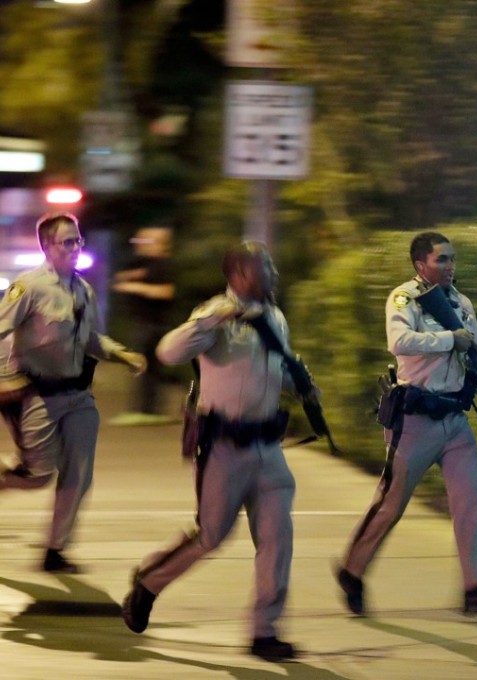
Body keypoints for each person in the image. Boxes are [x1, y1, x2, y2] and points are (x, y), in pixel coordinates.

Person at [121, 241, 300, 662]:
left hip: (268, 448)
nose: (273, 271)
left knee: (277, 537)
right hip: (224, 448)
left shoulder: (275, 316)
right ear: (239, 273)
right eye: (264, 265)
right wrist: (213, 318)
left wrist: (299, 384)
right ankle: (149, 583)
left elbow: (275, 368)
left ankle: (264, 631)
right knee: (211, 535)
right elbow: (167, 352)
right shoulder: (216, 316)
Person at [334, 231, 477, 616]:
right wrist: (449, 339)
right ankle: (352, 570)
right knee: (391, 504)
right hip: (415, 420)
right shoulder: (404, 297)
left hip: (455, 419)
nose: (450, 265)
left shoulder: (461, 303)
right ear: (420, 265)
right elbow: (399, 341)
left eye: (452, 258)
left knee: (471, 501)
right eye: (441, 259)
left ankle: (475, 588)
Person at [0, 212, 146, 573]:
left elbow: (92, 338)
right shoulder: (29, 287)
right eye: (67, 242)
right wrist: (3, 377)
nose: (75, 247)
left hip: (78, 394)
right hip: (39, 395)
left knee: (79, 474)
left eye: (78, 240)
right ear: (47, 246)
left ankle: (55, 550)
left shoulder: (84, 290)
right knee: (38, 474)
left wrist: (122, 354)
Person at [109, 226, 176, 425]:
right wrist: (127, 278)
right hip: (142, 324)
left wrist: (134, 287)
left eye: (147, 241)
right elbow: (137, 275)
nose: (141, 245)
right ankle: (145, 409)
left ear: (160, 244)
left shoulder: (164, 265)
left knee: (148, 368)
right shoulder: (148, 264)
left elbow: (165, 291)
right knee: (144, 368)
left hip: (153, 325)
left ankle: (148, 410)